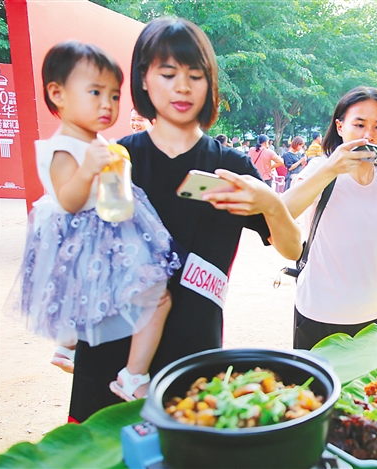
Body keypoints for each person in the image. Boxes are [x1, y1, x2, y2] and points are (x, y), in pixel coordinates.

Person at [67, 18, 302, 423]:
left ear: (210, 84)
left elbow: (293, 249)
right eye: (168, 73)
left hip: (193, 350)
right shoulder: (118, 158)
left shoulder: (231, 166)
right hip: (111, 349)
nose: (182, 87)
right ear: (144, 78)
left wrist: (270, 203)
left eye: (196, 75)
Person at [5, 41, 177, 398]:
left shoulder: (93, 143)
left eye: (114, 96)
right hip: (88, 242)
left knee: (136, 298)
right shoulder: (62, 148)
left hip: (105, 235)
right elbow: (68, 200)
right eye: (96, 92)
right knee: (154, 299)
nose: (107, 104)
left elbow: (113, 198)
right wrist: (90, 169)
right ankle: (130, 374)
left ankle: (71, 345)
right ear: (58, 94)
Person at [282, 86, 377, 350]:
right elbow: (280, 213)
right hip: (319, 312)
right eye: (359, 124)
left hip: (373, 314)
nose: (368, 135)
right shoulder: (319, 169)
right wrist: (330, 169)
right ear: (339, 126)